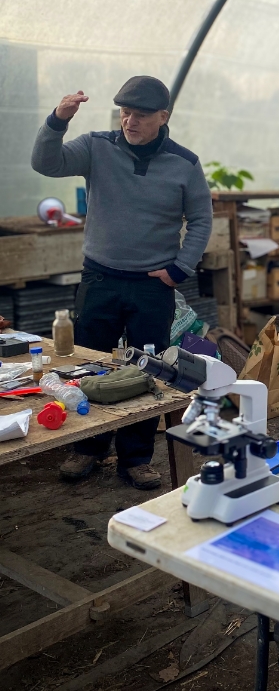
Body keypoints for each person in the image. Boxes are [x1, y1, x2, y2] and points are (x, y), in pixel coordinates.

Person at [31, 77, 212, 489]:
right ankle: (88, 449)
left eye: (141, 115)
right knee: (90, 365)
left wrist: (180, 268)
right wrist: (58, 121)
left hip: (153, 285)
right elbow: (47, 163)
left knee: (149, 370)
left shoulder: (184, 163)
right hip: (101, 278)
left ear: (163, 117)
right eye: (124, 113)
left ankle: (137, 458)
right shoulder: (97, 146)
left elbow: (201, 219)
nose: (130, 121)